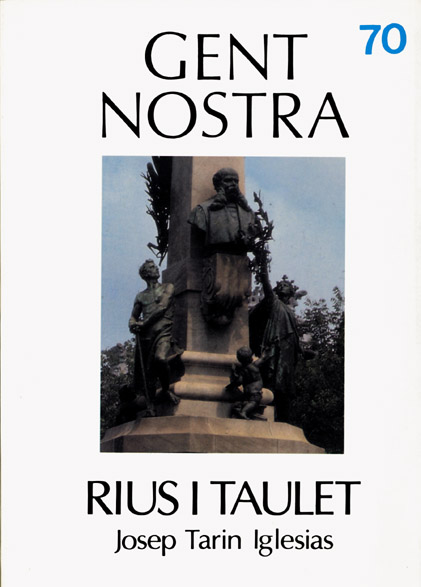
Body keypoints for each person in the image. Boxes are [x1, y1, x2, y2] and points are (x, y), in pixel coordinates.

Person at [129, 259, 182, 412]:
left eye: (155, 266)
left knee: (161, 358)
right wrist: (132, 324)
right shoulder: (140, 296)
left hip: (163, 332)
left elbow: (162, 308)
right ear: (145, 274)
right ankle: (150, 405)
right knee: (149, 373)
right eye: (152, 267)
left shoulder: (168, 287)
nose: (156, 268)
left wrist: (143, 323)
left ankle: (165, 389)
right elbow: (133, 317)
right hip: (146, 337)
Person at [188, 167, 257, 254]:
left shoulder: (248, 213)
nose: (233, 184)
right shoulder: (202, 211)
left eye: (236, 181)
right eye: (228, 180)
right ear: (217, 185)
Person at [225, 346, 268, 420]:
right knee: (254, 402)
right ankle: (244, 412)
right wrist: (265, 352)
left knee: (247, 401)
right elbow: (263, 358)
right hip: (255, 391)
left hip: (247, 391)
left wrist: (231, 385)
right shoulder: (255, 365)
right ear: (250, 358)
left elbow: (239, 381)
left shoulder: (242, 371)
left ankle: (240, 408)